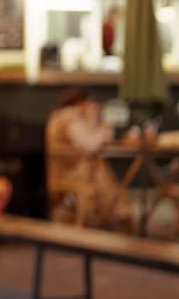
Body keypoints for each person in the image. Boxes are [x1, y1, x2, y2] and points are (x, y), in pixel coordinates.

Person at [45, 87, 128, 225]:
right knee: (98, 167)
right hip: (72, 173)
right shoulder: (71, 118)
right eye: (90, 102)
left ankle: (115, 211)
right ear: (84, 102)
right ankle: (118, 211)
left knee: (97, 166)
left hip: (58, 172)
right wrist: (103, 125)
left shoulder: (58, 116)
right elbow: (90, 145)